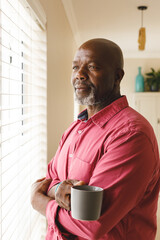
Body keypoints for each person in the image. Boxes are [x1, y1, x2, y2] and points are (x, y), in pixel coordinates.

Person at [31, 38, 160, 240]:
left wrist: (41, 202)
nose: (80, 75)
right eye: (75, 67)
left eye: (92, 67)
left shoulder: (131, 135)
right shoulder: (75, 128)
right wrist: (57, 190)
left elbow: (90, 224)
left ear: (118, 76)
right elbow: (47, 180)